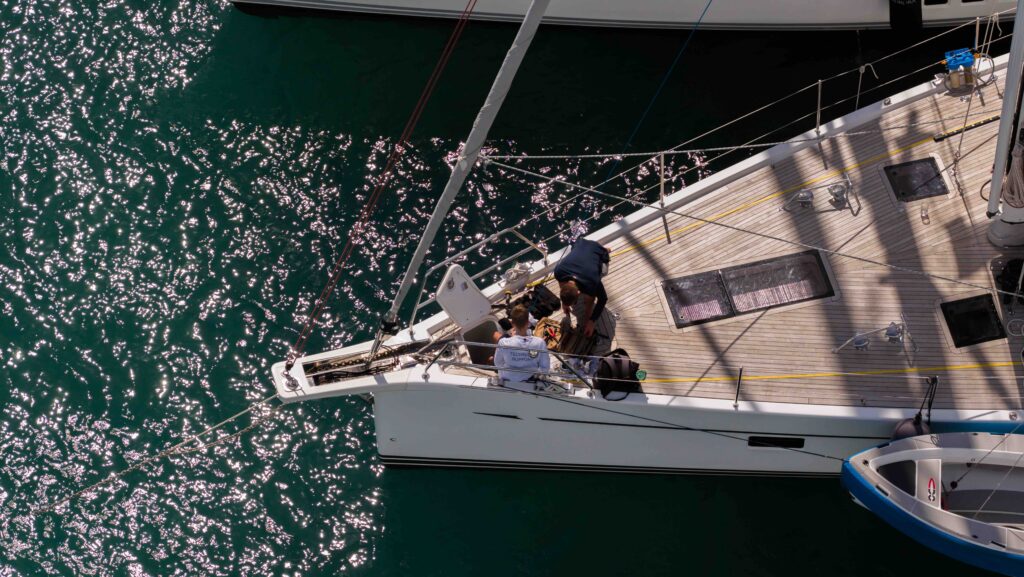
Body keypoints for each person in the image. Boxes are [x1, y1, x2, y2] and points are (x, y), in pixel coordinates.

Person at [553, 238, 609, 337]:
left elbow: (603, 299)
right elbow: (562, 285)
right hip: (580, 243)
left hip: (598, 251)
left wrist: (591, 321)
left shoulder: (592, 281)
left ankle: (605, 250)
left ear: (579, 293)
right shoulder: (559, 271)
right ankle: (595, 252)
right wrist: (564, 303)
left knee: (591, 293)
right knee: (589, 292)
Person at [493, 304, 550, 389]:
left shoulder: (503, 343)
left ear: (512, 323)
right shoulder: (540, 343)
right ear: (528, 323)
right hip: (531, 383)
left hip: (509, 382)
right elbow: (545, 368)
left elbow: (498, 363)